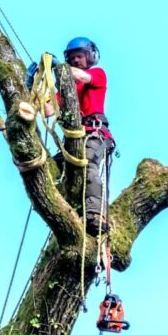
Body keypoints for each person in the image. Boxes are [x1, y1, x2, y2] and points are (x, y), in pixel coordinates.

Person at [60, 36, 115, 236]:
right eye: (72, 58)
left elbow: (81, 76)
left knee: (89, 165)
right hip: (75, 138)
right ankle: (66, 209)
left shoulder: (97, 74)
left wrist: (59, 70)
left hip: (95, 133)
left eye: (80, 56)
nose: (76, 61)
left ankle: (94, 214)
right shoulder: (68, 89)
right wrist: (33, 83)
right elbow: (48, 109)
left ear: (90, 57)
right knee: (56, 168)